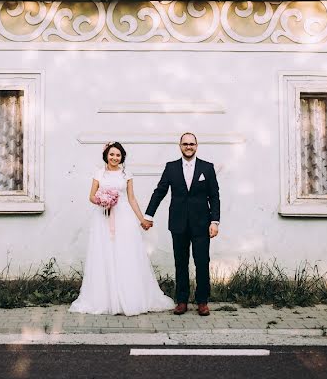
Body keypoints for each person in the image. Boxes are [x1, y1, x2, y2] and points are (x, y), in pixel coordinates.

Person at [69, 141, 174, 316]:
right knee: (104, 254)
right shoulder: (99, 173)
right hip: (103, 218)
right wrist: (103, 200)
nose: (114, 158)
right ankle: (105, 299)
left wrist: (142, 219)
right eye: (112, 154)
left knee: (125, 254)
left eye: (118, 155)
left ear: (122, 157)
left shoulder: (127, 175)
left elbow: (132, 198)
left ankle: (130, 296)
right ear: (106, 156)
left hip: (124, 218)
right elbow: (91, 196)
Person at [144, 133, 220, 316]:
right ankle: (182, 301)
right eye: (185, 144)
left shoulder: (207, 168)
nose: (188, 146)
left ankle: (202, 301)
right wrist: (148, 215)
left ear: (196, 146)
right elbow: (159, 191)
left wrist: (215, 221)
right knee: (181, 263)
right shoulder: (171, 168)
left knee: (202, 262)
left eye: (191, 144)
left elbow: (214, 196)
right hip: (178, 224)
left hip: (202, 224)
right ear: (180, 146)